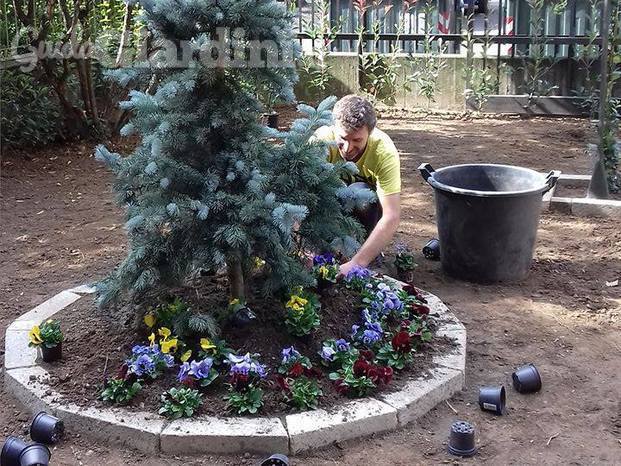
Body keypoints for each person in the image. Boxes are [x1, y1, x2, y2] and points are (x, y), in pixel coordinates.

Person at [314, 94, 401, 277]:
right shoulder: (320, 143)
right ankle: (324, 249)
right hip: (328, 203)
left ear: (369, 133)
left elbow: (391, 216)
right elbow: (300, 197)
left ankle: (367, 252)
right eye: (343, 138)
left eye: (357, 141)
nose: (347, 148)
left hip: (365, 208)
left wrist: (357, 263)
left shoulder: (384, 151)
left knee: (360, 194)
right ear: (334, 128)